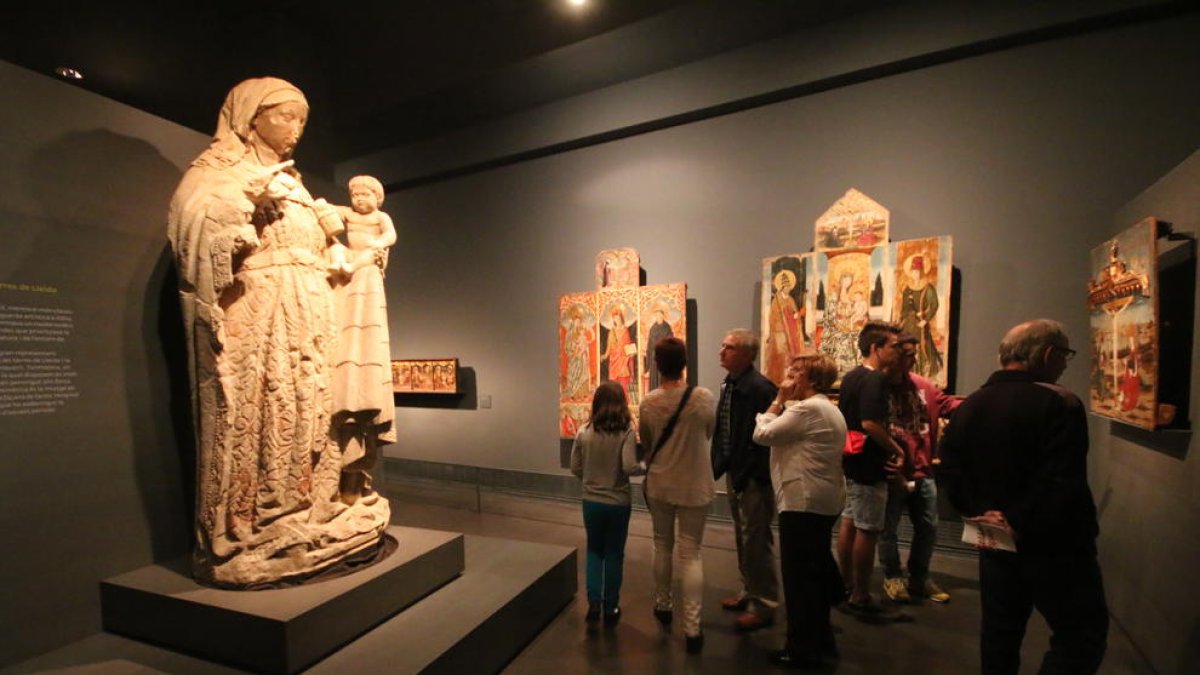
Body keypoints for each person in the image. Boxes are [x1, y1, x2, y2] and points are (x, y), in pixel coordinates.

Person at [167, 77, 390, 587]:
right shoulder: (219, 174)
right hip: (260, 318)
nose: (295, 130)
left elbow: (325, 245)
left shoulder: (293, 182)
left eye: (303, 121)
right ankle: (256, 523)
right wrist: (246, 205)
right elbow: (193, 230)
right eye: (286, 116)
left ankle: (310, 507)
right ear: (251, 118)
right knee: (265, 410)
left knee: (308, 414)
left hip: (309, 315)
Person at [939, 319, 1108, 674]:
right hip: (1056, 545)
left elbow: (951, 469)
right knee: (1080, 635)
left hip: (995, 542)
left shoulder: (971, 404)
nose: (1064, 363)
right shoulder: (1060, 402)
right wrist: (1016, 519)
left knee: (1000, 634)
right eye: (1065, 355)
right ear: (1048, 354)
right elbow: (1060, 480)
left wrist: (983, 513)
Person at [752, 352, 847, 668]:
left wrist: (777, 400)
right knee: (813, 575)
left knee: (798, 581)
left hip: (803, 501)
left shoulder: (808, 409)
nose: (788, 374)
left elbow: (762, 434)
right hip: (821, 499)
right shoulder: (826, 408)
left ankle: (800, 648)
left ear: (811, 379)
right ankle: (821, 639)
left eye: (795, 371)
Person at [640, 337, 716, 654]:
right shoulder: (704, 398)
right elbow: (708, 433)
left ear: (657, 365)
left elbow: (646, 442)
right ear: (684, 363)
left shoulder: (649, 402)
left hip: (660, 482)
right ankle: (693, 629)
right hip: (695, 483)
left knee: (662, 544)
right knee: (691, 553)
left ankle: (663, 603)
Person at [878, 333, 960, 605]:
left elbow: (947, 404)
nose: (911, 359)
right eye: (906, 354)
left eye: (914, 354)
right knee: (887, 528)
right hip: (892, 471)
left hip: (923, 469)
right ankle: (892, 575)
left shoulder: (923, 386)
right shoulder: (877, 387)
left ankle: (919, 577)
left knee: (928, 526)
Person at [331, 174, 398, 502]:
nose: (359, 199)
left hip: (365, 270)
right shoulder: (346, 220)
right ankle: (349, 484)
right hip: (350, 276)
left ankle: (355, 481)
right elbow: (327, 212)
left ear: (377, 197)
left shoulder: (379, 219)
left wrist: (375, 247)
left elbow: (390, 236)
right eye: (354, 194)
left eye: (365, 194)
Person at [711, 329, 780, 632]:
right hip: (736, 470)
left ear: (748, 354)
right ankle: (748, 590)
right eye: (723, 345)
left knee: (756, 540)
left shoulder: (760, 388)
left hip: (753, 475)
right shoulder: (731, 384)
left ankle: (763, 604)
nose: (722, 351)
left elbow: (769, 436)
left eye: (730, 347)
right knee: (743, 536)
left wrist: (754, 474)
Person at [836, 320, 905, 618]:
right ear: (876, 348)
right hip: (867, 463)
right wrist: (896, 448)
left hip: (852, 459)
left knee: (851, 521)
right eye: (894, 346)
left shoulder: (851, 376)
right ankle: (860, 594)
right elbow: (869, 423)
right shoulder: (874, 380)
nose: (899, 351)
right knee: (868, 528)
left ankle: (847, 584)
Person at [570, 381, 639, 629]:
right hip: (618, 502)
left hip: (591, 501)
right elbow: (629, 466)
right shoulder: (627, 433)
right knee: (614, 554)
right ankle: (611, 607)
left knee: (594, 551)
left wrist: (591, 479)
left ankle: (594, 604)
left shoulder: (583, 431)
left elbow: (574, 467)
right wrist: (646, 466)